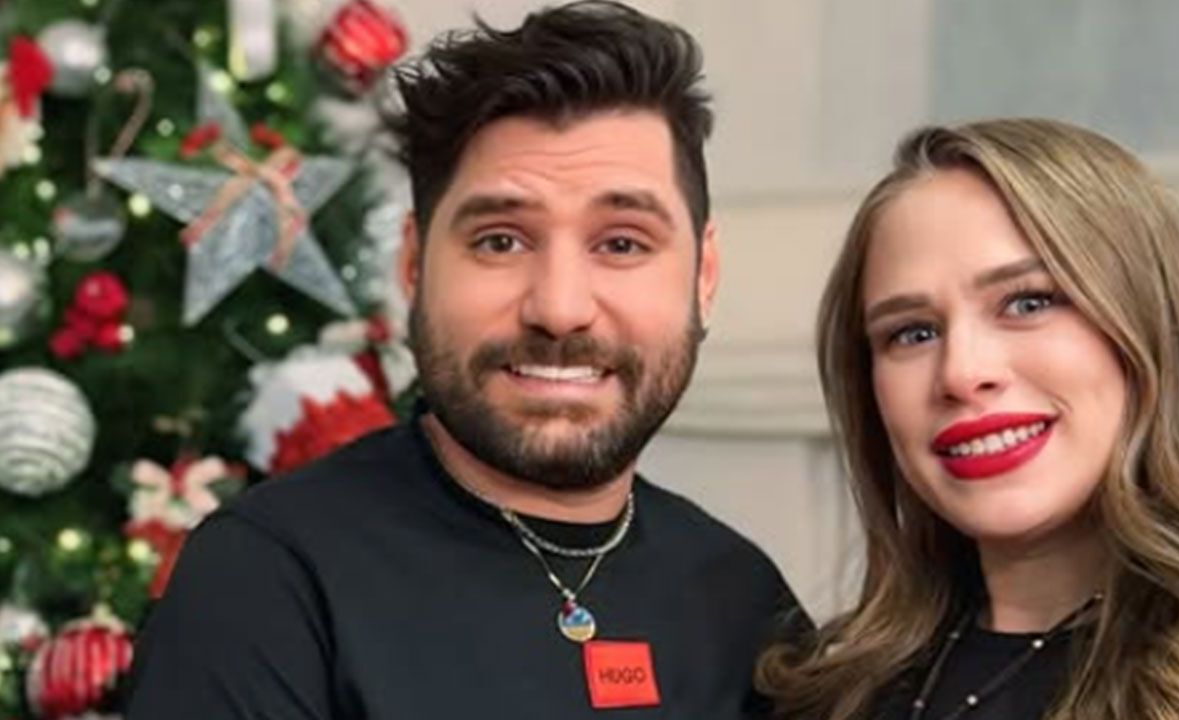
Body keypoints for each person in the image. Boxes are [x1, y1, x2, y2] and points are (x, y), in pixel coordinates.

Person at [126, 2, 805, 718]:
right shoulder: (267, 580)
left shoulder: (748, 603)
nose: (559, 308)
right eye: (500, 241)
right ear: (414, 265)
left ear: (703, 275)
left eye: (622, 243)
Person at [758, 118, 1179, 720]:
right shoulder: (825, 694)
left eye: (1028, 302)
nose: (961, 372)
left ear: (1153, 325)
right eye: (913, 332)